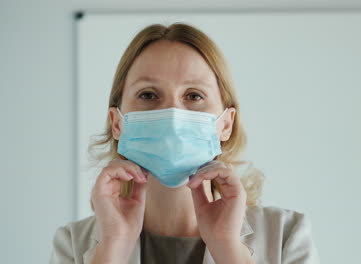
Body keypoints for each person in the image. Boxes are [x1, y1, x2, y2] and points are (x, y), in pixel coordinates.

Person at [50, 22, 320, 264]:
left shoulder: (286, 235)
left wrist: (228, 249)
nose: (173, 115)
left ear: (226, 123)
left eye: (193, 96)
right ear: (117, 122)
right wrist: (113, 249)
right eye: (148, 94)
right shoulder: (73, 243)